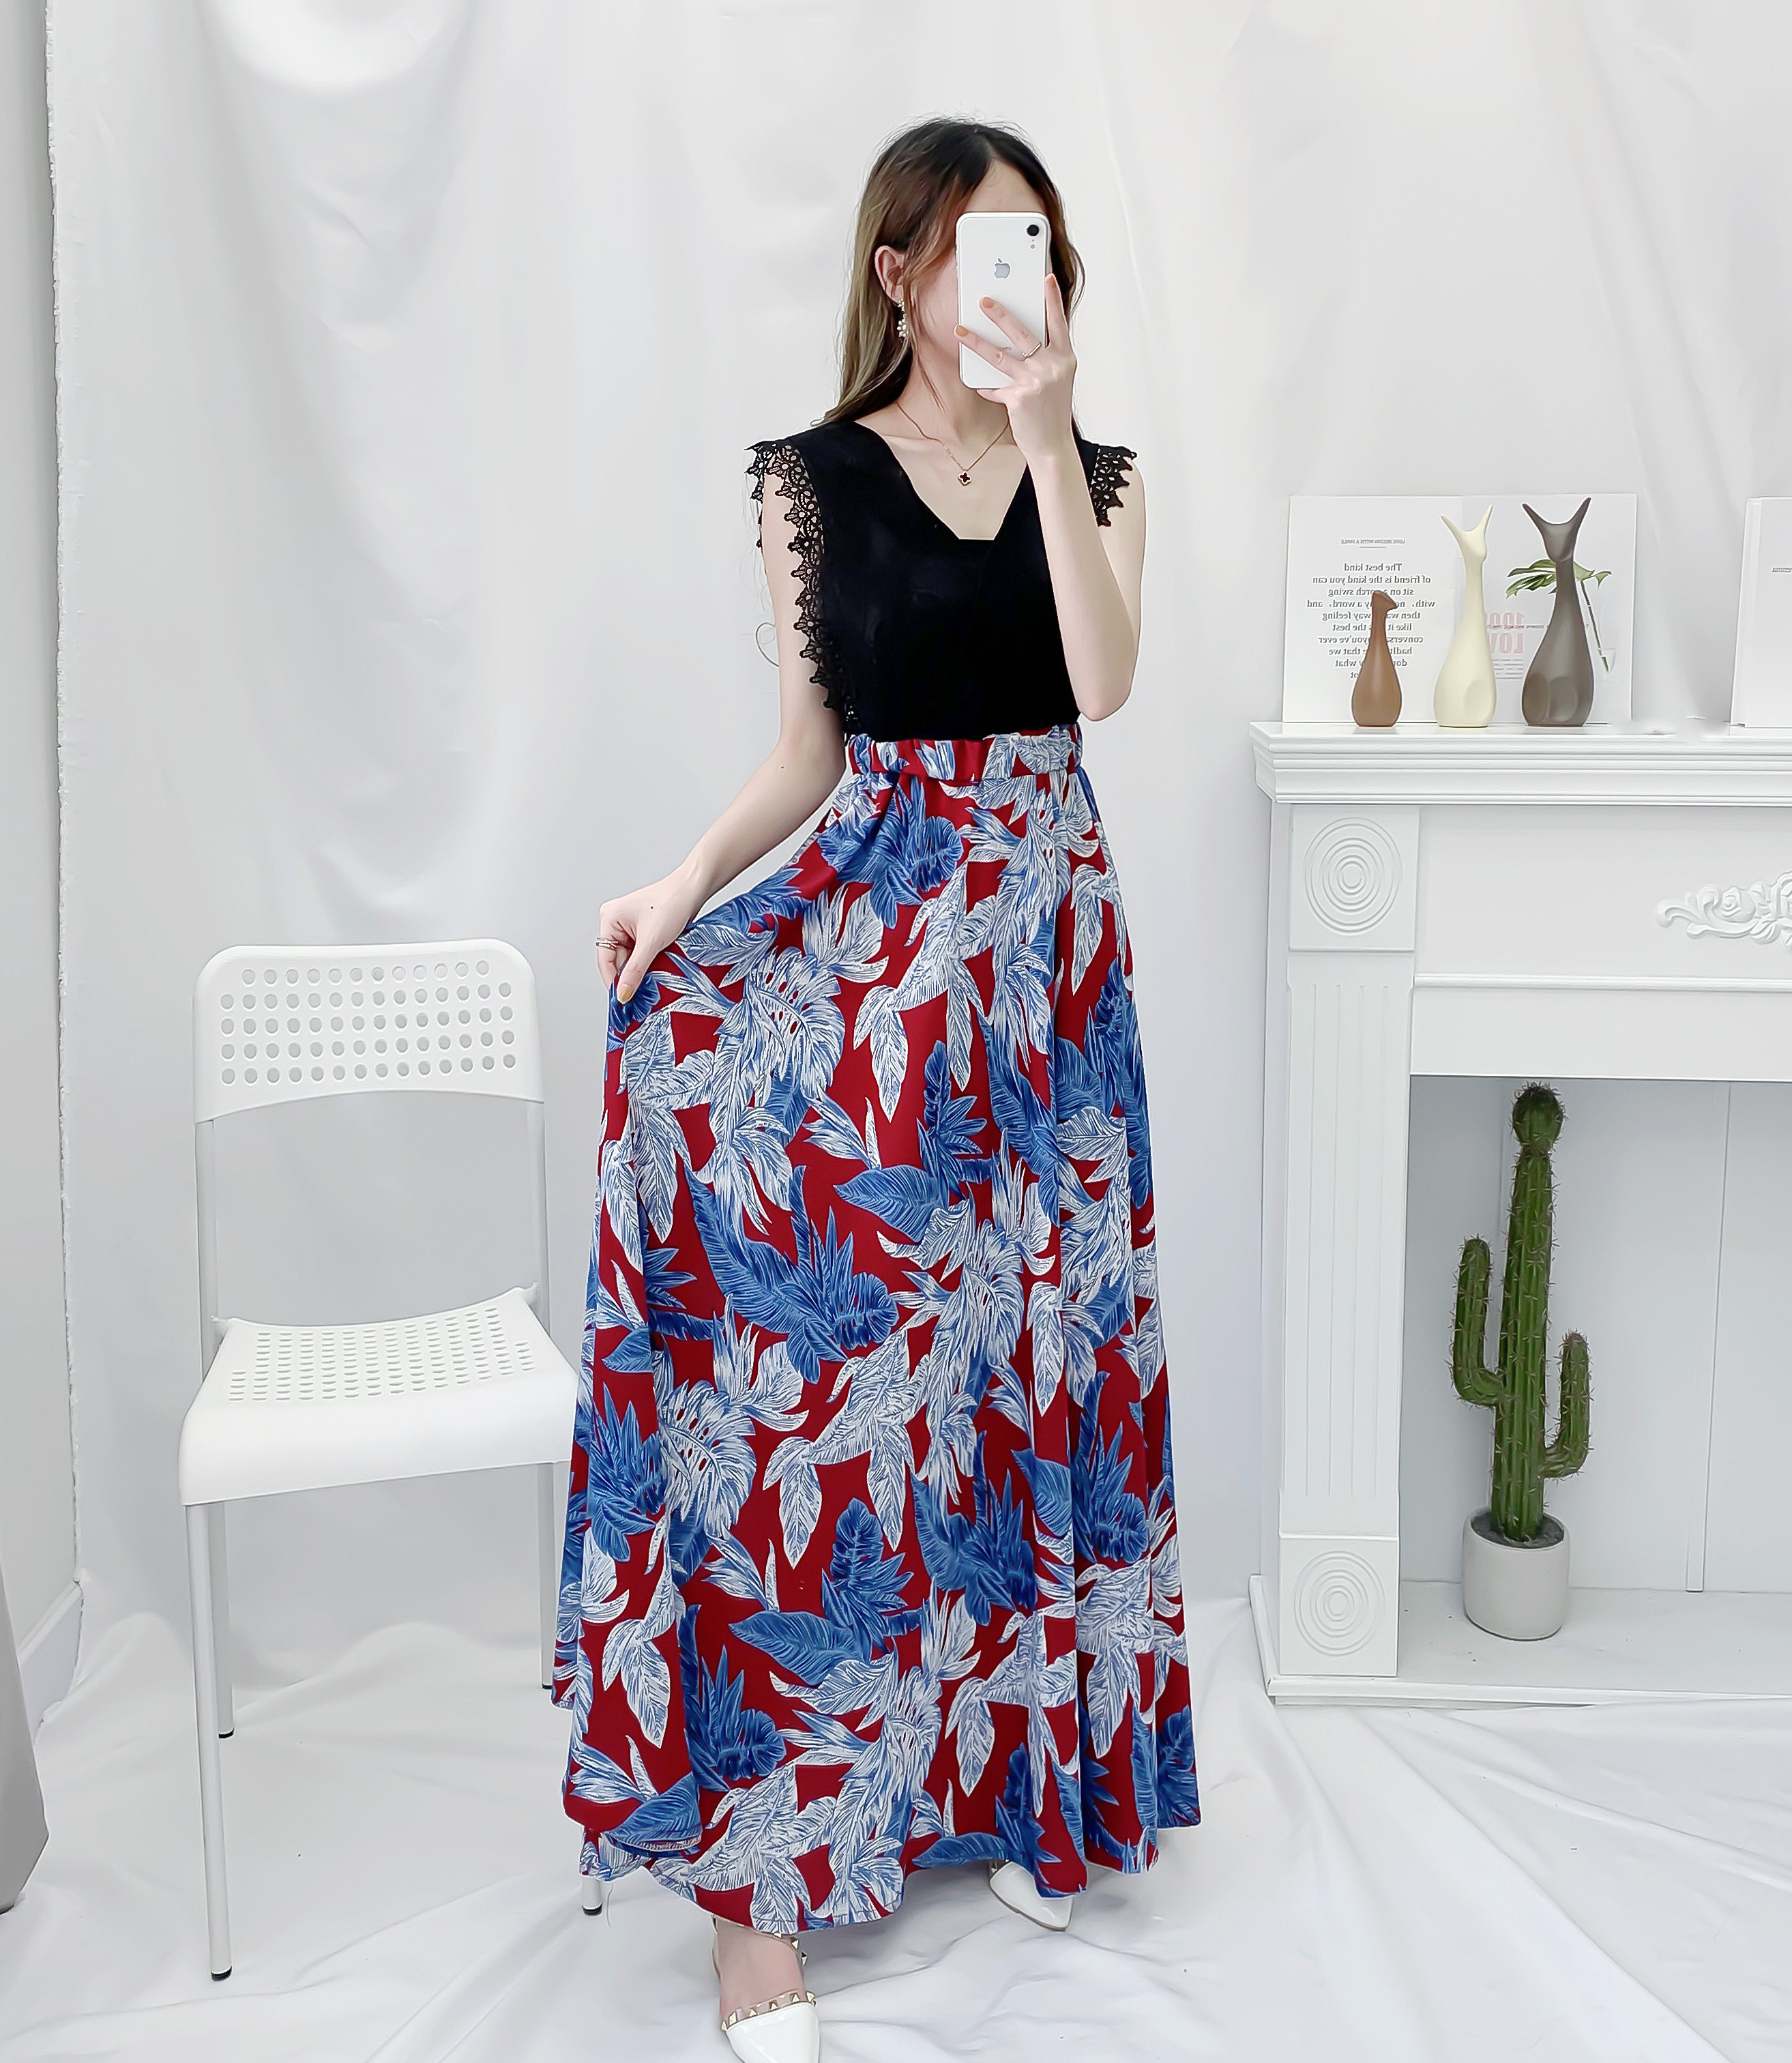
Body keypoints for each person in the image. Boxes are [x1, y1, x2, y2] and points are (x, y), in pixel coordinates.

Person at [557, 116, 1195, 2063]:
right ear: (898, 271)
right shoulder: (808, 480)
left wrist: (1053, 430)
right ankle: (757, 1897)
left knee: (1027, 1366)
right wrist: (684, 884)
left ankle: (1019, 1788)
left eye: (1041, 247)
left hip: (1048, 972)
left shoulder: (1104, 476)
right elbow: (812, 752)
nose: (1018, 276)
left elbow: (1099, 687)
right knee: (815, 1392)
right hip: (876, 949)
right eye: (981, 246)